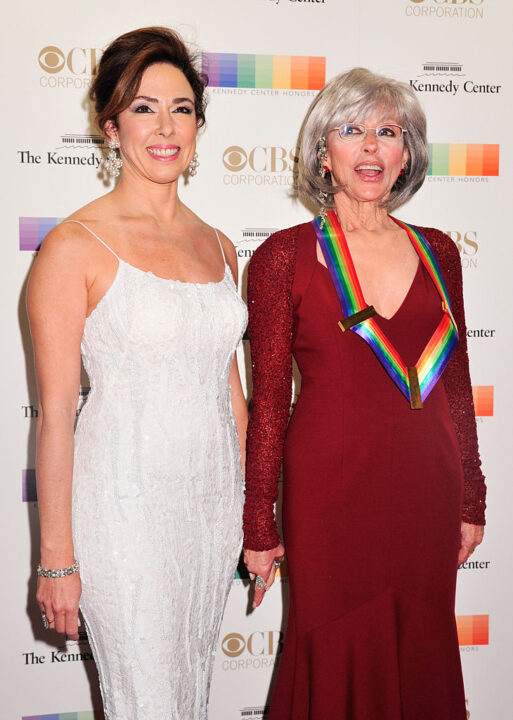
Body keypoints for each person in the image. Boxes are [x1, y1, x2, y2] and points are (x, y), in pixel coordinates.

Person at [243, 67, 485, 720]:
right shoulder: (280, 258)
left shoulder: (439, 252)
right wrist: (258, 524)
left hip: (425, 494)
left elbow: (454, 385)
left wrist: (470, 497)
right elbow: (268, 401)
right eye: (351, 131)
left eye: (388, 131)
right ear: (323, 154)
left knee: (422, 644)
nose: (371, 148)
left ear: (408, 153)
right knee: (330, 643)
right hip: (330, 494)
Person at [27, 27, 247, 719]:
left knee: (188, 694)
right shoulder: (72, 247)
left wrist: (259, 513)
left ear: (199, 125)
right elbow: (57, 412)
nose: (164, 126)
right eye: (144, 107)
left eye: (181, 108)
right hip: (122, 511)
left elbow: (231, 397)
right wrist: (56, 557)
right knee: (146, 702)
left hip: (211, 511)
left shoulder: (219, 245)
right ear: (109, 124)